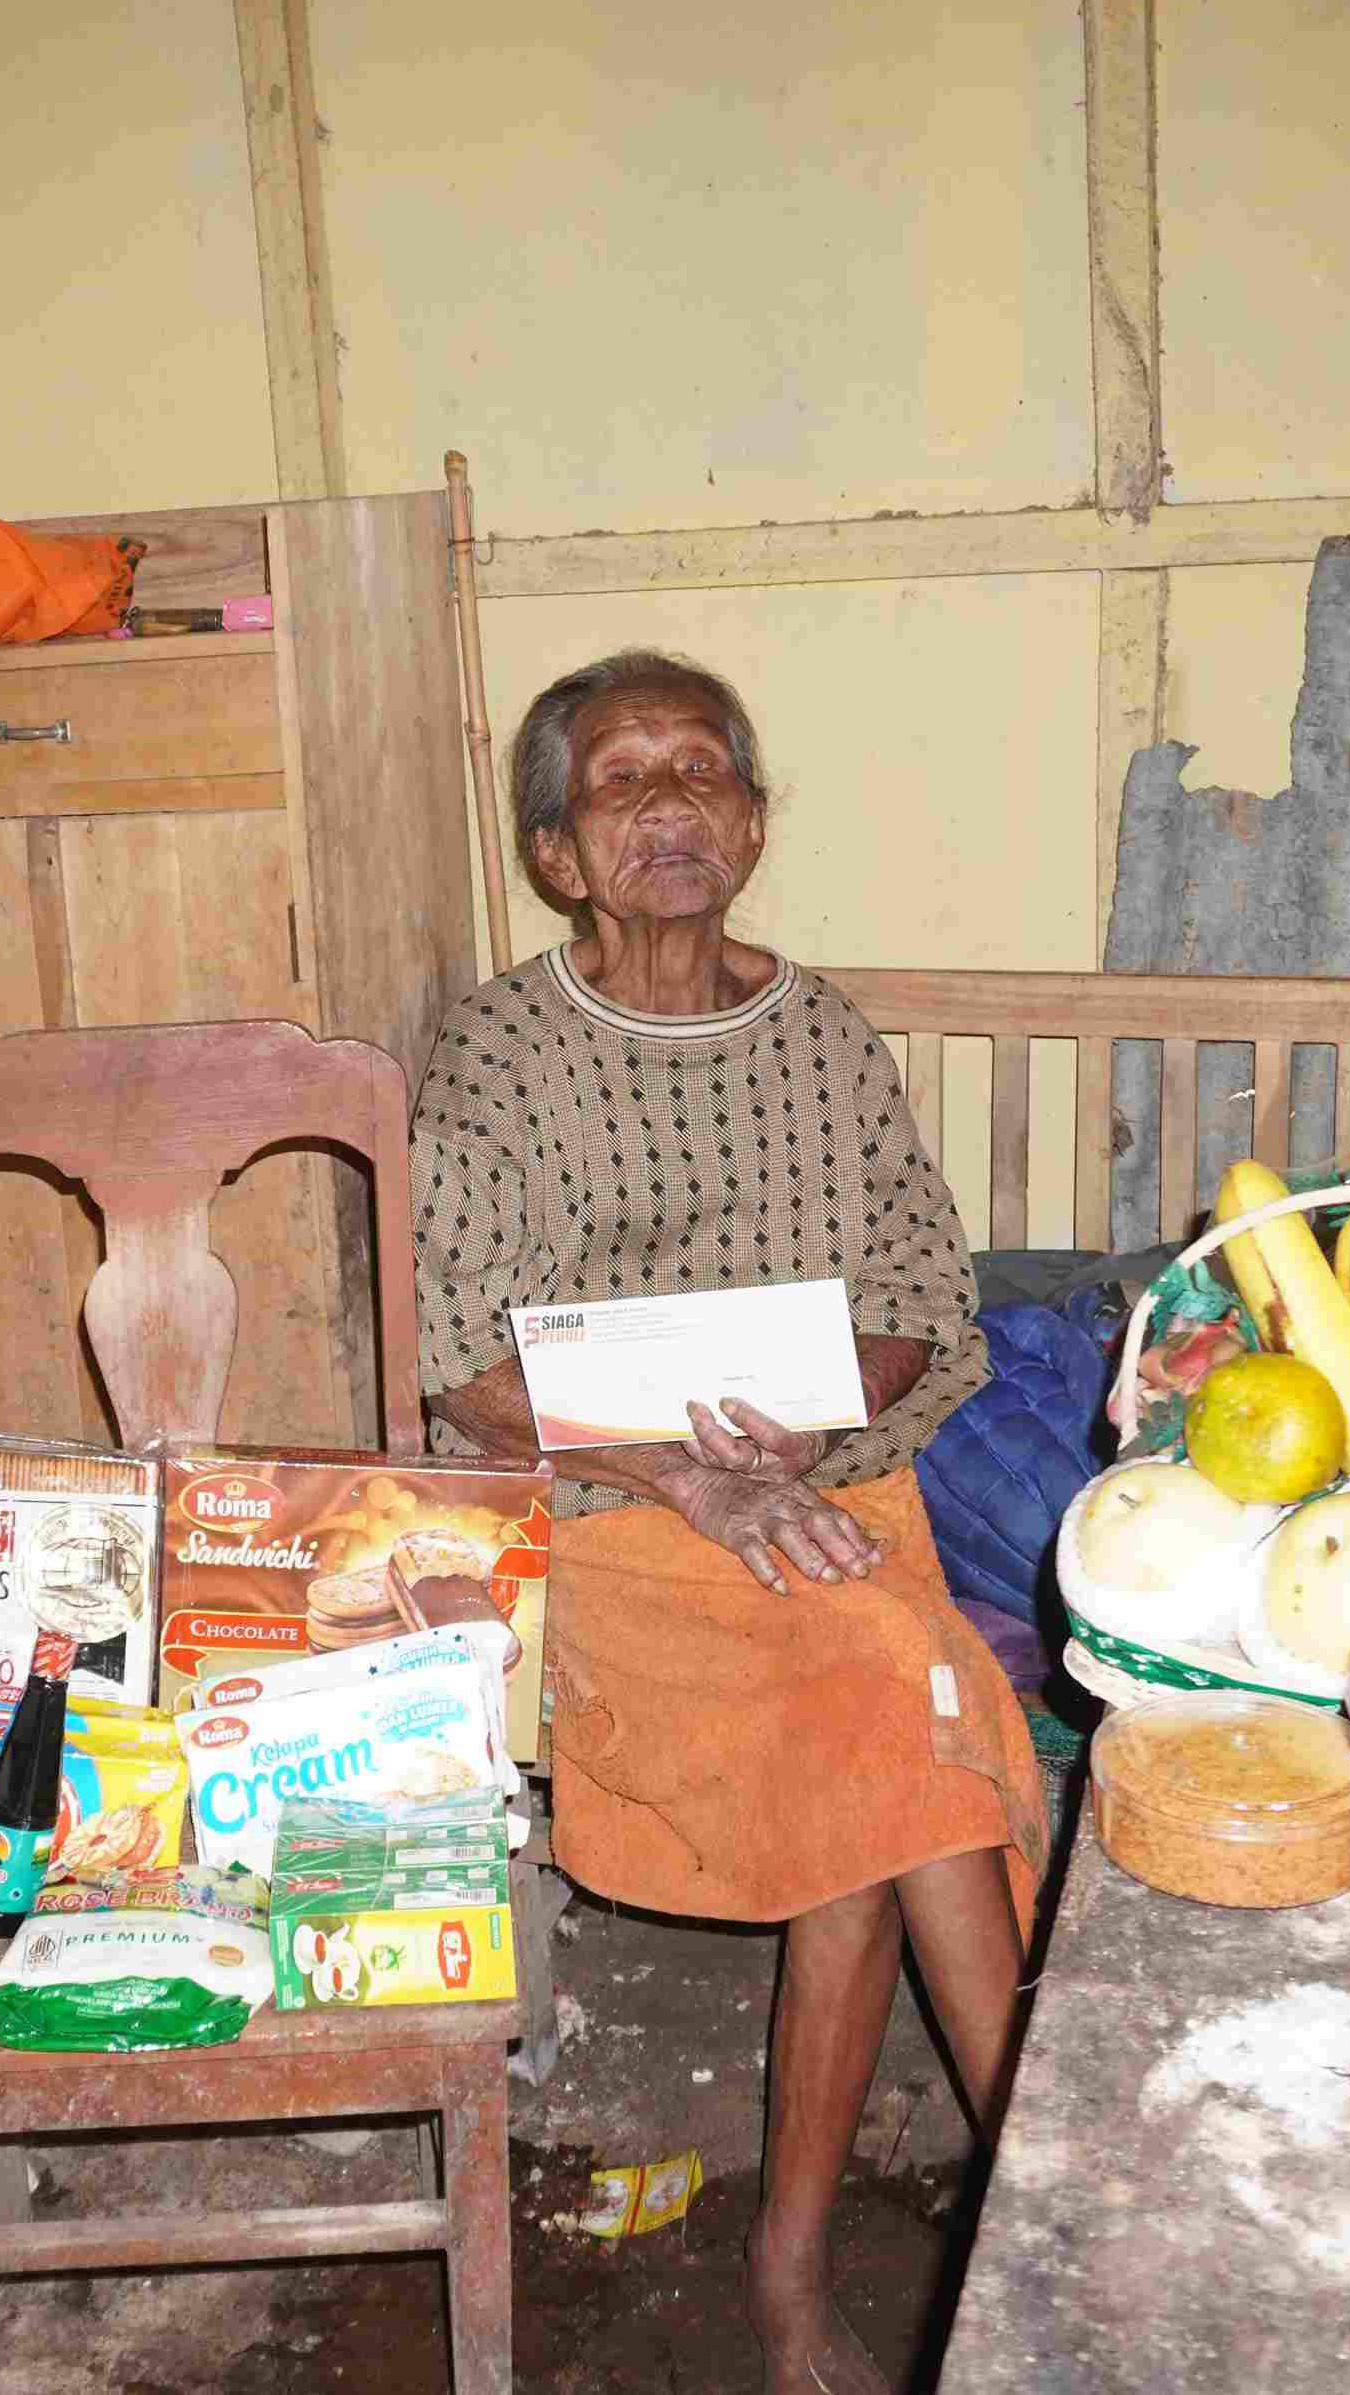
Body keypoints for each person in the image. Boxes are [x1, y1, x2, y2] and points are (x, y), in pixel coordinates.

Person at [411, 650, 1048, 2395]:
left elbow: (918, 1280)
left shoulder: (822, 1029)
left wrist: (808, 1429)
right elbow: (458, 1348)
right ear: (557, 850)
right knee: (899, 1738)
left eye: (704, 774)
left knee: (874, 1769)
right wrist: (691, 1473)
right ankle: (1049, 2233)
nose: (671, 805)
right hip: (621, 1517)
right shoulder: (496, 1045)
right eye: (623, 780)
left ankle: (792, 2286)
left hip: (831, 1492)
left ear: (754, 823)